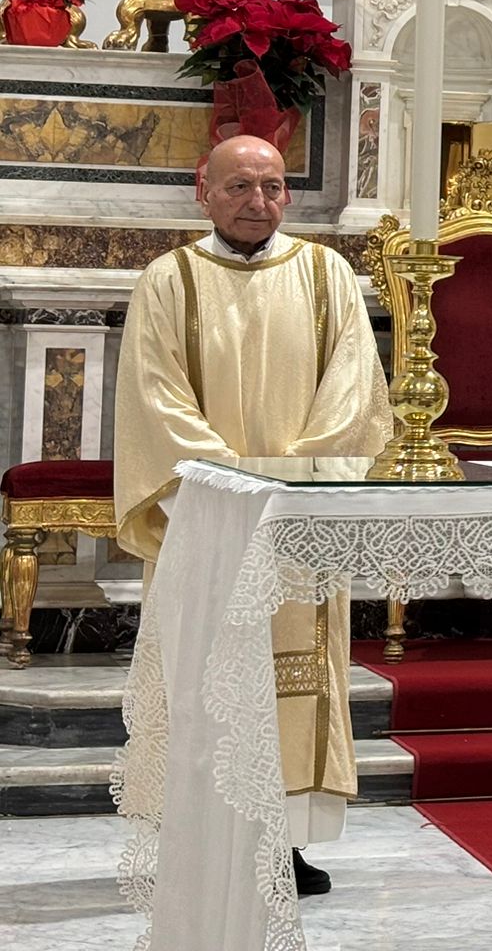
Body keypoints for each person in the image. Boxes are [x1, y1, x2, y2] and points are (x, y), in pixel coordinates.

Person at [113, 137, 392, 898]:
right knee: (204, 684)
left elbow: (354, 390)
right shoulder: (170, 281)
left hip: (299, 523)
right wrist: (233, 490)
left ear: (287, 197)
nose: (257, 201)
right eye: (239, 186)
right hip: (208, 524)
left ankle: (286, 844)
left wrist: (295, 482)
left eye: (271, 186)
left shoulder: (326, 275)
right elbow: (156, 400)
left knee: (298, 687)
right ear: (202, 189)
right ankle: (203, 842)